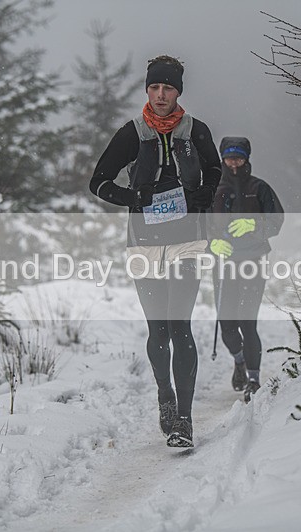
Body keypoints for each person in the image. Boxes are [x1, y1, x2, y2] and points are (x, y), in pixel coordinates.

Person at [89, 55, 221, 447]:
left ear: (178, 92)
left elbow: (215, 171)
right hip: (144, 244)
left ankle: (184, 420)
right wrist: (134, 198)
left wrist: (204, 194)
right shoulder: (132, 133)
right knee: (158, 330)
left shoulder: (195, 131)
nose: (161, 95)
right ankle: (165, 397)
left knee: (180, 327)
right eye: (154, 88)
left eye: (168, 88)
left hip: (187, 242)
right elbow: (98, 182)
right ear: (147, 90)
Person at [209, 136, 284, 402]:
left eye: (239, 158)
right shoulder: (213, 189)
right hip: (223, 263)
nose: (234, 164)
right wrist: (212, 243)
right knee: (228, 325)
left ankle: (254, 379)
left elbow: (277, 220)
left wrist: (255, 225)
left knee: (247, 321)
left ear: (247, 159)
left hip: (253, 261)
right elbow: (200, 223)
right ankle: (239, 360)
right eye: (230, 158)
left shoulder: (259, 188)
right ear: (222, 159)